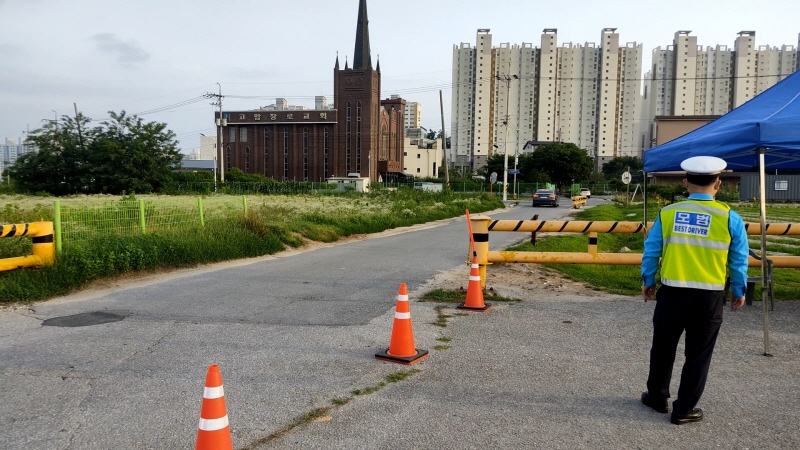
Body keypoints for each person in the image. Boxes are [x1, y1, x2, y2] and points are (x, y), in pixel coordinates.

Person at [640, 156, 749, 425]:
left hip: (672, 293)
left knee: (663, 348)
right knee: (698, 355)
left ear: (686, 182)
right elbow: (738, 258)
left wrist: (648, 281)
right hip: (708, 298)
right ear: (719, 183)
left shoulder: (668, 213)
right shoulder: (729, 217)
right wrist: (738, 289)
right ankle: (683, 409)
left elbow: (652, 250)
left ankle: (656, 397)